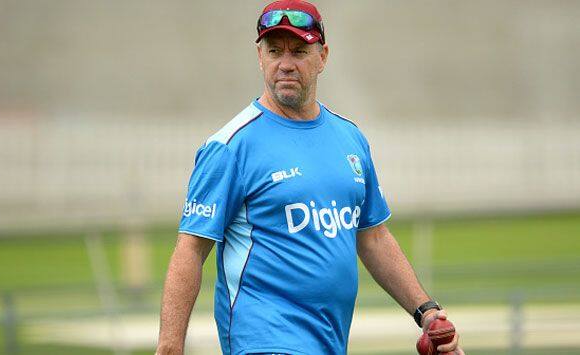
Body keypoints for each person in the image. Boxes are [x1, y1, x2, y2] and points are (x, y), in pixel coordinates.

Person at [156, 1, 463, 354]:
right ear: (260, 57)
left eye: (299, 51)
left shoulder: (350, 138)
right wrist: (169, 346)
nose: (285, 64)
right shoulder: (230, 146)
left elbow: (373, 237)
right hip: (264, 341)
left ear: (323, 57)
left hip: (329, 342)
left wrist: (426, 312)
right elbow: (190, 249)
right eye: (274, 51)